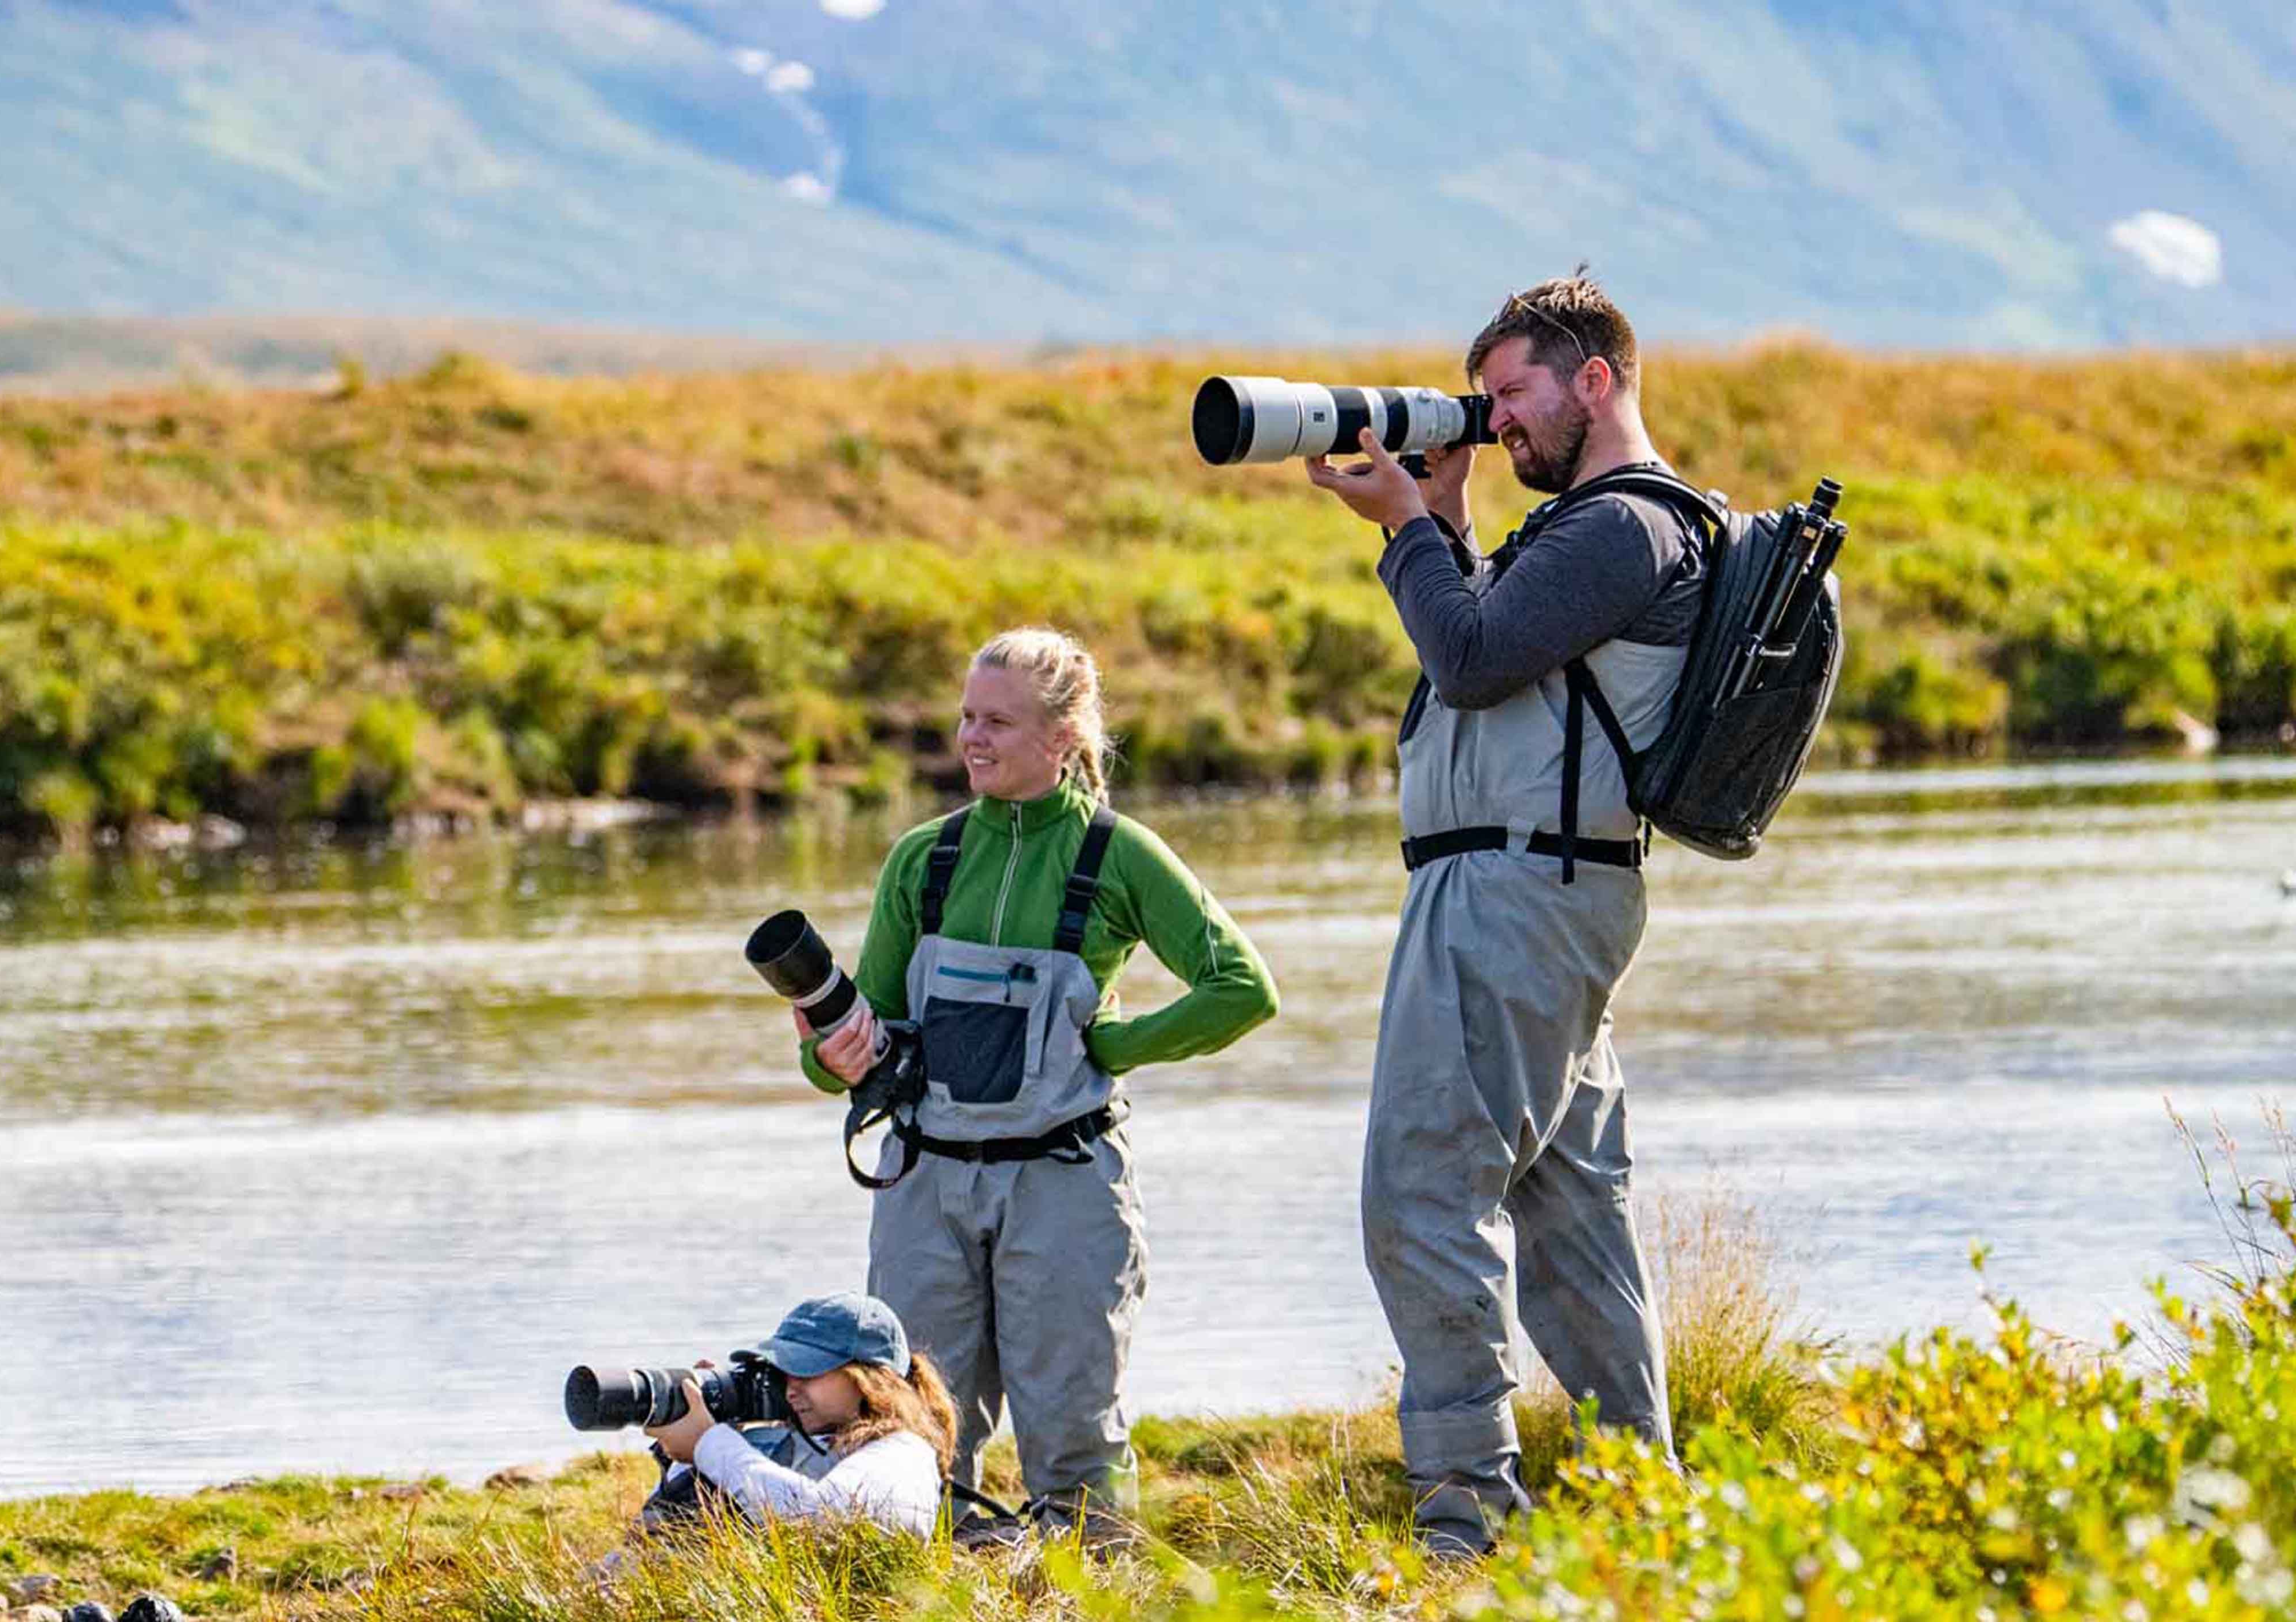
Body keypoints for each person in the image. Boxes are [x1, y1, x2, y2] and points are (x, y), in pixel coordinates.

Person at [1304, 272, 1691, 1557]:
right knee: (1569, 1209)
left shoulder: (1614, 527)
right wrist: (1450, 523)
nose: (1495, 420)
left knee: (1419, 1191)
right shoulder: (1610, 532)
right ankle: (1645, 1501)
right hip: (1546, 888)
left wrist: (1405, 529)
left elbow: (1463, 664)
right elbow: (1503, 657)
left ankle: (1465, 1507)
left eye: (1512, 394)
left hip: (1510, 893)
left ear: (1595, 381)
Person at [799, 627, 1278, 1541]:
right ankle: (926, 1589)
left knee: (1073, 1434)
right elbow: (857, 1043)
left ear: (1063, 739)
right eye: (968, 716)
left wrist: (1118, 1044)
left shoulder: (1120, 856)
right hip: (923, 1185)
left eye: (1000, 723)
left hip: (1065, 1184)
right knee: (911, 1431)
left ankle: (1093, 1584)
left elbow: (1243, 989)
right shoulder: (924, 860)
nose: (972, 738)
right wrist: (833, 1058)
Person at [638, 1291, 954, 1537]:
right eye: (783, 1373)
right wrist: (690, 1456)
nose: (791, 1389)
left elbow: (825, 1519)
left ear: (870, 1380)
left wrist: (709, 1444)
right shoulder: (782, 1444)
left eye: (807, 1371)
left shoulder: (904, 1454)